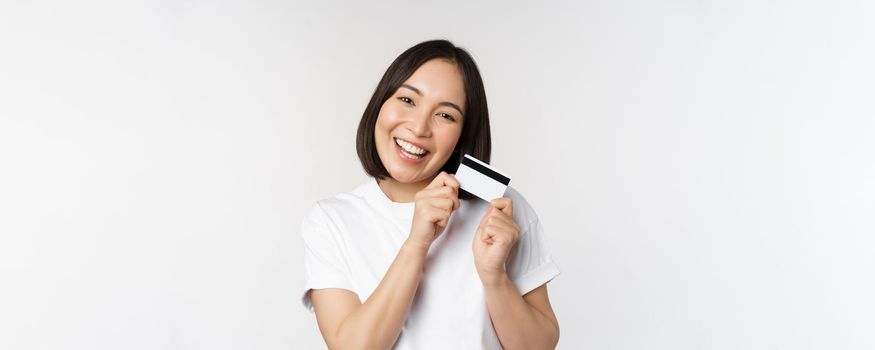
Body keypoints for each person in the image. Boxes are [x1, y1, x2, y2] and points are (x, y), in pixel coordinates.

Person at [300, 39, 561, 349]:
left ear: (463, 133)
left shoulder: (501, 209)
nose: (419, 127)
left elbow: (539, 346)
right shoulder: (331, 220)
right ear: (380, 104)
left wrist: (494, 276)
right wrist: (417, 242)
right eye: (408, 100)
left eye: (446, 115)